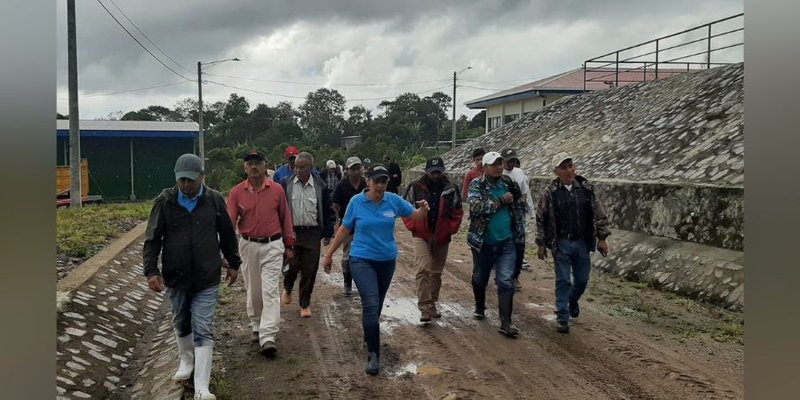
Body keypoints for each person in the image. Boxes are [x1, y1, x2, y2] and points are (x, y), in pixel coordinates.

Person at [142, 153, 242, 400]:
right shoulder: (165, 202)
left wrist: (234, 263)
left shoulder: (214, 200)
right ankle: (186, 361)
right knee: (181, 321)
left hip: (206, 276)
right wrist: (151, 271)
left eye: (191, 180)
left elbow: (227, 235)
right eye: (182, 180)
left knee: (203, 327)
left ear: (202, 178)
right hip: (176, 276)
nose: (186, 185)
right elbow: (152, 239)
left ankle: (202, 387)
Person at [322, 164, 429, 375]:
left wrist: (424, 209)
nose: (380, 185)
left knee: (377, 304)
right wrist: (329, 255)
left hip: (387, 261)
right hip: (361, 259)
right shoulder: (357, 202)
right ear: (368, 180)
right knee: (370, 304)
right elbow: (345, 228)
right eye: (376, 180)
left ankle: (368, 333)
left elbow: (416, 216)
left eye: (384, 181)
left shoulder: (393, 200)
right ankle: (373, 355)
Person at [227, 149, 296, 356]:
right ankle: (256, 324)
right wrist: (228, 252)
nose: (254, 166)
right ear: (245, 168)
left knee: (270, 291)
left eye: (258, 162)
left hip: (272, 245)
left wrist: (289, 244)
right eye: (250, 163)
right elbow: (229, 223)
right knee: (254, 289)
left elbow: (285, 218)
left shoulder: (276, 190)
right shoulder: (237, 192)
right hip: (248, 245)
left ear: (265, 166)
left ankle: (268, 336)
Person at [536, 152, 610, 334]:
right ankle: (562, 317)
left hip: (582, 242)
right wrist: (541, 244)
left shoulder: (586, 189)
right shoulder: (550, 193)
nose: (569, 170)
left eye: (570, 166)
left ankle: (571, 300)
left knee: (582, 280)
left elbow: (599, 213)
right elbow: (542, 218)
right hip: (561, 242)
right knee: (562, 280)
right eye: (564, 167)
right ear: (556, 171)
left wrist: (602, 238)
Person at [466, 151, 527, 338]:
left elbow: (518, 207)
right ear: (484, 167)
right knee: (480, 278)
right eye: (494, 164)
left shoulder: (509, 184)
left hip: (507, 241)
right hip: (484, 242)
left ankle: (506, 322)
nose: (499, 167)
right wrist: (500, 201)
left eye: (500, 163)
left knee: (505, 281)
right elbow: (476, 208)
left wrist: (520, 233)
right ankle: (479, 306)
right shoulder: (476, 185)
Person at [402, 157, 464, 322]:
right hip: (421, 234)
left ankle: (432, 303)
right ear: (427, 171)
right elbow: (405, 207)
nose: (435, 175)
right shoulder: (415, 187)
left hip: (442, 235)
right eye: (432, 172)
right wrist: (413, 226)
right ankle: (424, 306)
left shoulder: (451, 188)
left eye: (438, 172)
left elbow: (458, 211)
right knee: (423, 268)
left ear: (442, 171)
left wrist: (450, 230)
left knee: (436, 272)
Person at [278, 152, 335, 317]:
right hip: (292, 232)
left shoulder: (320, 186)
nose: (299, 170)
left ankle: (304, 304)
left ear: (311, 168)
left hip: (312, 232)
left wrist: (327, 233)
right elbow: (280, 209)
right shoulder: (285, 184)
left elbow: (328, 210)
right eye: (296, 166)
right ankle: (288, 287)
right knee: (292, 266)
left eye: (303, 167)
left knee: (310, 270)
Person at [331, 156, 367, 296]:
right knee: (347, 256)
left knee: (364, 256)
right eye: (353, 169)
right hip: (348, 226)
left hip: (364, 226)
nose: (356, 171)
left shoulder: (366, 185)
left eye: (358, 168)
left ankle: (363, 283)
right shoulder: (341, 185)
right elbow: (335, 205)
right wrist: (339, 221)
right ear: (347, 171)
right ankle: (347, 283)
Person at [500, 148, 536, 290]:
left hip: (518, 214)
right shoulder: (498, 173)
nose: (511, 163)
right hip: (503, 212)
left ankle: (515, 276)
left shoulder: (519, 173)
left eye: (513, 160)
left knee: (519, 244)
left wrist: (524, 207)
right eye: (508, 161)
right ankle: (504, 274)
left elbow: (525, 192)